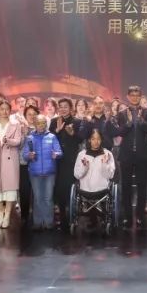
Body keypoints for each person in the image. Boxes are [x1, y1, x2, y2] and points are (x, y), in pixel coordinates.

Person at [114, 85, 147, 227]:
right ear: (128, 97)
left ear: (140, 96)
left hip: (142, 154)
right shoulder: (122, 113)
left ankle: (140, 216)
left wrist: (141, 121)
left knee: (142, 185)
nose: (135, 97)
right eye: (132, 95)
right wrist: (129, 123)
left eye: (137, 95)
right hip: (126, 154)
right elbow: (120, 132)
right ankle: (127, 216)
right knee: (126, 186)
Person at [0, 99, 25, 229]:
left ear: (10, 110)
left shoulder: (16, 124)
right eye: (2, 109)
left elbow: (18, 141)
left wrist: (8, 140)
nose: (4, 111)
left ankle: (7, 216)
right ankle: (0, 217)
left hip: (10, 159)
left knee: (10, 189)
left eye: (7, 109)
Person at [51, 98, 85, 230]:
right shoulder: (54, 121)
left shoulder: (77, 121)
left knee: (71, 188)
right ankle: (62, 217)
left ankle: (73, 217)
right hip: (57, 160)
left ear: (71, 108)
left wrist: (73, 134)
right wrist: (57, 130)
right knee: (59, 189)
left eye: (66, 106)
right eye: (61, 106)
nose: (63, 109)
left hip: (71, 160)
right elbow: (49, 139)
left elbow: (81, 139)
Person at [25, 114, 63, 230]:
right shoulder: (29, 138)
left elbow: (60, 152)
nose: (41, 125)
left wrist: (56, 154)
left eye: (43, 123)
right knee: (37, 198)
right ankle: (37, 222)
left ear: (46, 124)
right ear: (34, 124)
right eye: (38, 123)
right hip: (35, 173)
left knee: (48, 198)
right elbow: (24, 155)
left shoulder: (52, 137)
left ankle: (49, 222)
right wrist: (29, 156)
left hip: (49, 173)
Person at [73, 128, 117, 201]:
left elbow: (110, 176)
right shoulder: (82, 155)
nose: (96, 142)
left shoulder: (107, 154)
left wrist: (104, 164)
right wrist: (85, 167)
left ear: (101, 140)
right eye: (93, 139)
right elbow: (77, 175)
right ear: (89, 140)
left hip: (102, 191)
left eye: (98, 139)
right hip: (85, 191)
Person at [17, 104, 39, 226]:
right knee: (24, 191)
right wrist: (24, 135)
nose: (32, 116)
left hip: (38, 164)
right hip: (24, 164)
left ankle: (37, 215)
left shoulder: (41, 128)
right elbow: (17, 147)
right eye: (29, 114)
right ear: (25, 116)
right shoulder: (20, 128)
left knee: (37, 191)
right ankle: (24, 215)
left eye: (34, 114)